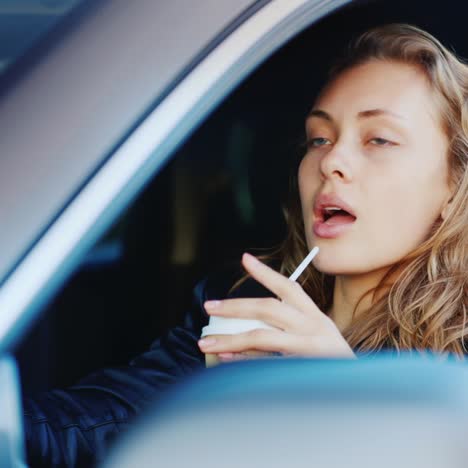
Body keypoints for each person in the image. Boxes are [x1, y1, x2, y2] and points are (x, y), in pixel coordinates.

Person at [23, 23, 468, 467]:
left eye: (379, 139)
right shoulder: (242, 309)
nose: (330, 160)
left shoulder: (457, 363)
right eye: (319, 138)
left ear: (453, 187)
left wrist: (345, 400)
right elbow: (91, 428)